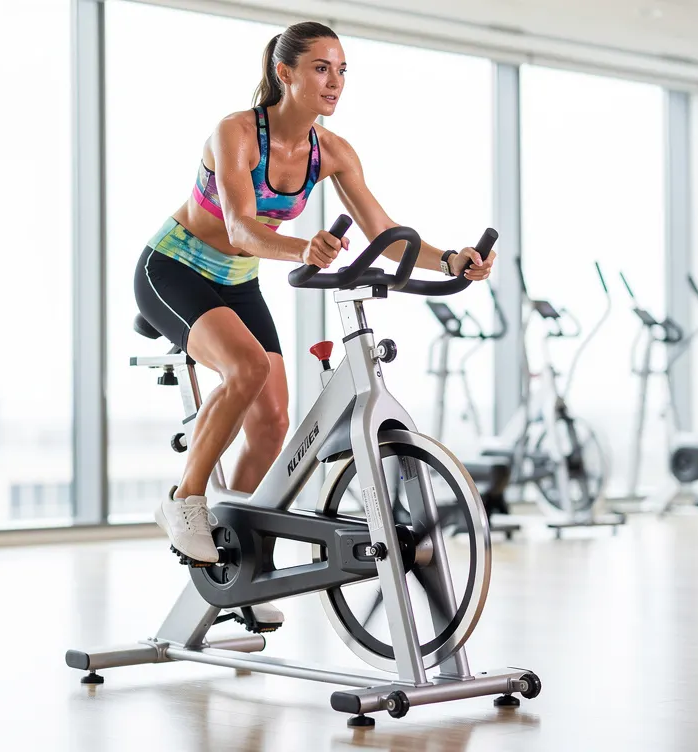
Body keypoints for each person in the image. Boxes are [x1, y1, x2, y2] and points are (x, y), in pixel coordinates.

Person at [133, 21, 496, 630]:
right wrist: (304, 246)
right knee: (245, 370)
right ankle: (185, 499)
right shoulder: (237, 134)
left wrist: (452, 259)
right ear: (286, 74)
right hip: (174, 268)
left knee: (275, 421)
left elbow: (384, 233)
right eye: (322, 68)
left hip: (237, 280)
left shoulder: (335, 151)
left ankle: (240, 565)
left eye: (343, 70)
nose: (335, 82)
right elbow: (243, 228)